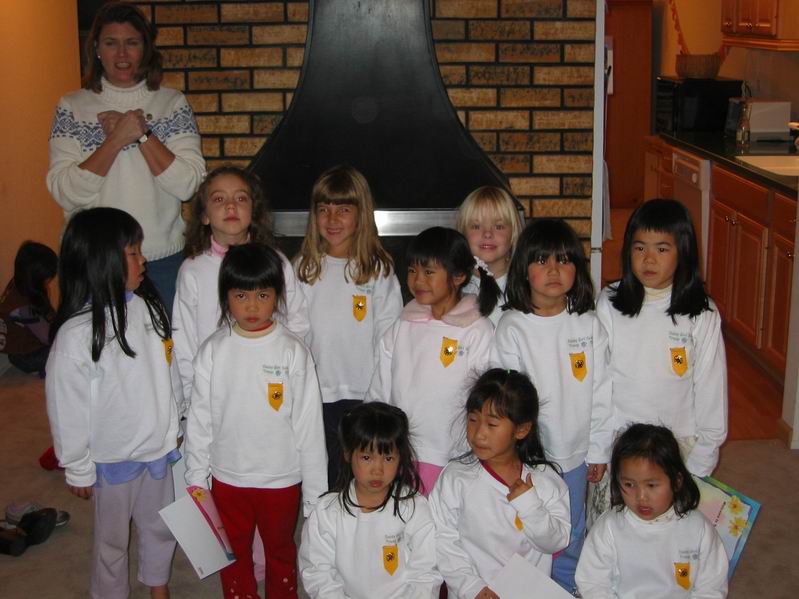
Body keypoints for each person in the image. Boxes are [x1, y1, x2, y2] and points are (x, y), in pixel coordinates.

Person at [45, 207, 181, 599]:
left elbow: (167, 369)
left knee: (160, 526)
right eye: (133, 253)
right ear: (102, 261)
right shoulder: (76, 335)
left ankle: (158, 585)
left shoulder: (148, 307)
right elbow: (66, 408)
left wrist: (176, 423)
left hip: (157, 450)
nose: (144, 261)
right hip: (113, 460)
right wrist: (77, 466)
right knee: (112, 541)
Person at [183, 243, 326, 599]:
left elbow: (310, 428)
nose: (251, 306)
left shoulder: (293, 350)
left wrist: (315, 494)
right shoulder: (213, 350)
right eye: (241, 295)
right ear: (225, 297)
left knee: (280, 550)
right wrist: (196, 477)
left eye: (262, 295)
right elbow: (199, 420)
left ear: (277, 296)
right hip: (228, 477)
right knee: (233, 555)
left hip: (282, 479)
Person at [46, 1, 205, 313]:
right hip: (93, 261)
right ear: (96, 48)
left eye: (131, 42)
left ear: (145, 49)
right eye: (111, 43)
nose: (122, 53)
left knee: (164, 343)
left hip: (159, 262)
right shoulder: (71, 106)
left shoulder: (172, 103)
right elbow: (65, 192)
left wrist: (142, 134)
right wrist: (117, 139)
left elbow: (187, 184)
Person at [491, 218, 613, 594]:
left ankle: (566, 587)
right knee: (527, 528)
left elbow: (602, 392)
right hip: (528, 455)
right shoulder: (512, 326)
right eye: (542, 260)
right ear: (524, 269)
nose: (554, 270)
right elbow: (506, 400)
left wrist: (598, 450)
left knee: (570, 531)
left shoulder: (588, 325)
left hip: (574, 456)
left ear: (578, 267)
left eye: (563, 259)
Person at [597, 199, 727, 478]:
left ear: (683, 252)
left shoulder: (702, 313)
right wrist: (599, 446)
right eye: (639, 248)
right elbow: (599, 379)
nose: (649, 259)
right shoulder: (609, 302)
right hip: (620, 441)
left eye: (662, 249)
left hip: (678, 444)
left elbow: (711, 386)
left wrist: (703, 458)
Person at [368, 227, 498, 494]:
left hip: (451, 456)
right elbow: (380, 387)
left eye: (429, 272)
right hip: (399, 452)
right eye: (412, 270)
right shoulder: (403, 324)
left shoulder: (477, 330)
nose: (418, 280)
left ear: (458, 276)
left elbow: (483, 399)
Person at [295, 165, 403, 486]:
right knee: (325, 478)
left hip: (365, 395)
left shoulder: (378, 270)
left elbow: (390, 337)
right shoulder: (304, 269)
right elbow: (295, 335)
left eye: (343, 210)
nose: (332, 219)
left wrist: (380, 395)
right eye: (324, 210)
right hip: (318, 396)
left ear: (361, 214)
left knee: (363, 480)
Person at [429, 369, 571, 599]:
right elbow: (443, 540)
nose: (479, 434)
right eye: (473, 420)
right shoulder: (456, 477)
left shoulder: (545, 481)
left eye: (492, 424)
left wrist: (530, 506)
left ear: (522, 429)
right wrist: (472, 588)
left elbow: (555, 542)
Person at [172, 165, 309, 404]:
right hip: (216, 389)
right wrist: (193, 395)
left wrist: (291, 374)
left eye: (240, 198)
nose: (231, 206)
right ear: (204, 215)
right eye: (219, 199)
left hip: (270, 383)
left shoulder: (276, 262)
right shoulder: (193, 270)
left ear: (253, 211)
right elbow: (183, 339)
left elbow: (296, 319)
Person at [298, 402, 442, 598]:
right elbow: (318, 572)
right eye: (366, 457)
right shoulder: (327, 512)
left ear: (400, 458)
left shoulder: (414, 508)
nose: (378, 470)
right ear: (348, 454)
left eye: (388, 458)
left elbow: (426, 574)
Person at [575, 423, 729, 598]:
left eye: (651, 485)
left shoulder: (698, 528)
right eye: (629, 484)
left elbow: (711, 587)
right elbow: (592, 583)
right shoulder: (609, 527)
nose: (641, 497)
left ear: (677, 481)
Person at [456, 186, 524, 326]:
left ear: (513, 234)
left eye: (498, 226)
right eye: (476, 226)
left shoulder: (526, 285)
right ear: (463, 233)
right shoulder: (453, 286)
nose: (487, 234)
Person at [0, 241, 58, 376]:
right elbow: (47, 337)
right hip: (23, 356)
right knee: (61, 351)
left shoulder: (20, 283)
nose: (50, 281)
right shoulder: (23, 308)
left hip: (28, 344)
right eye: (47, 278)